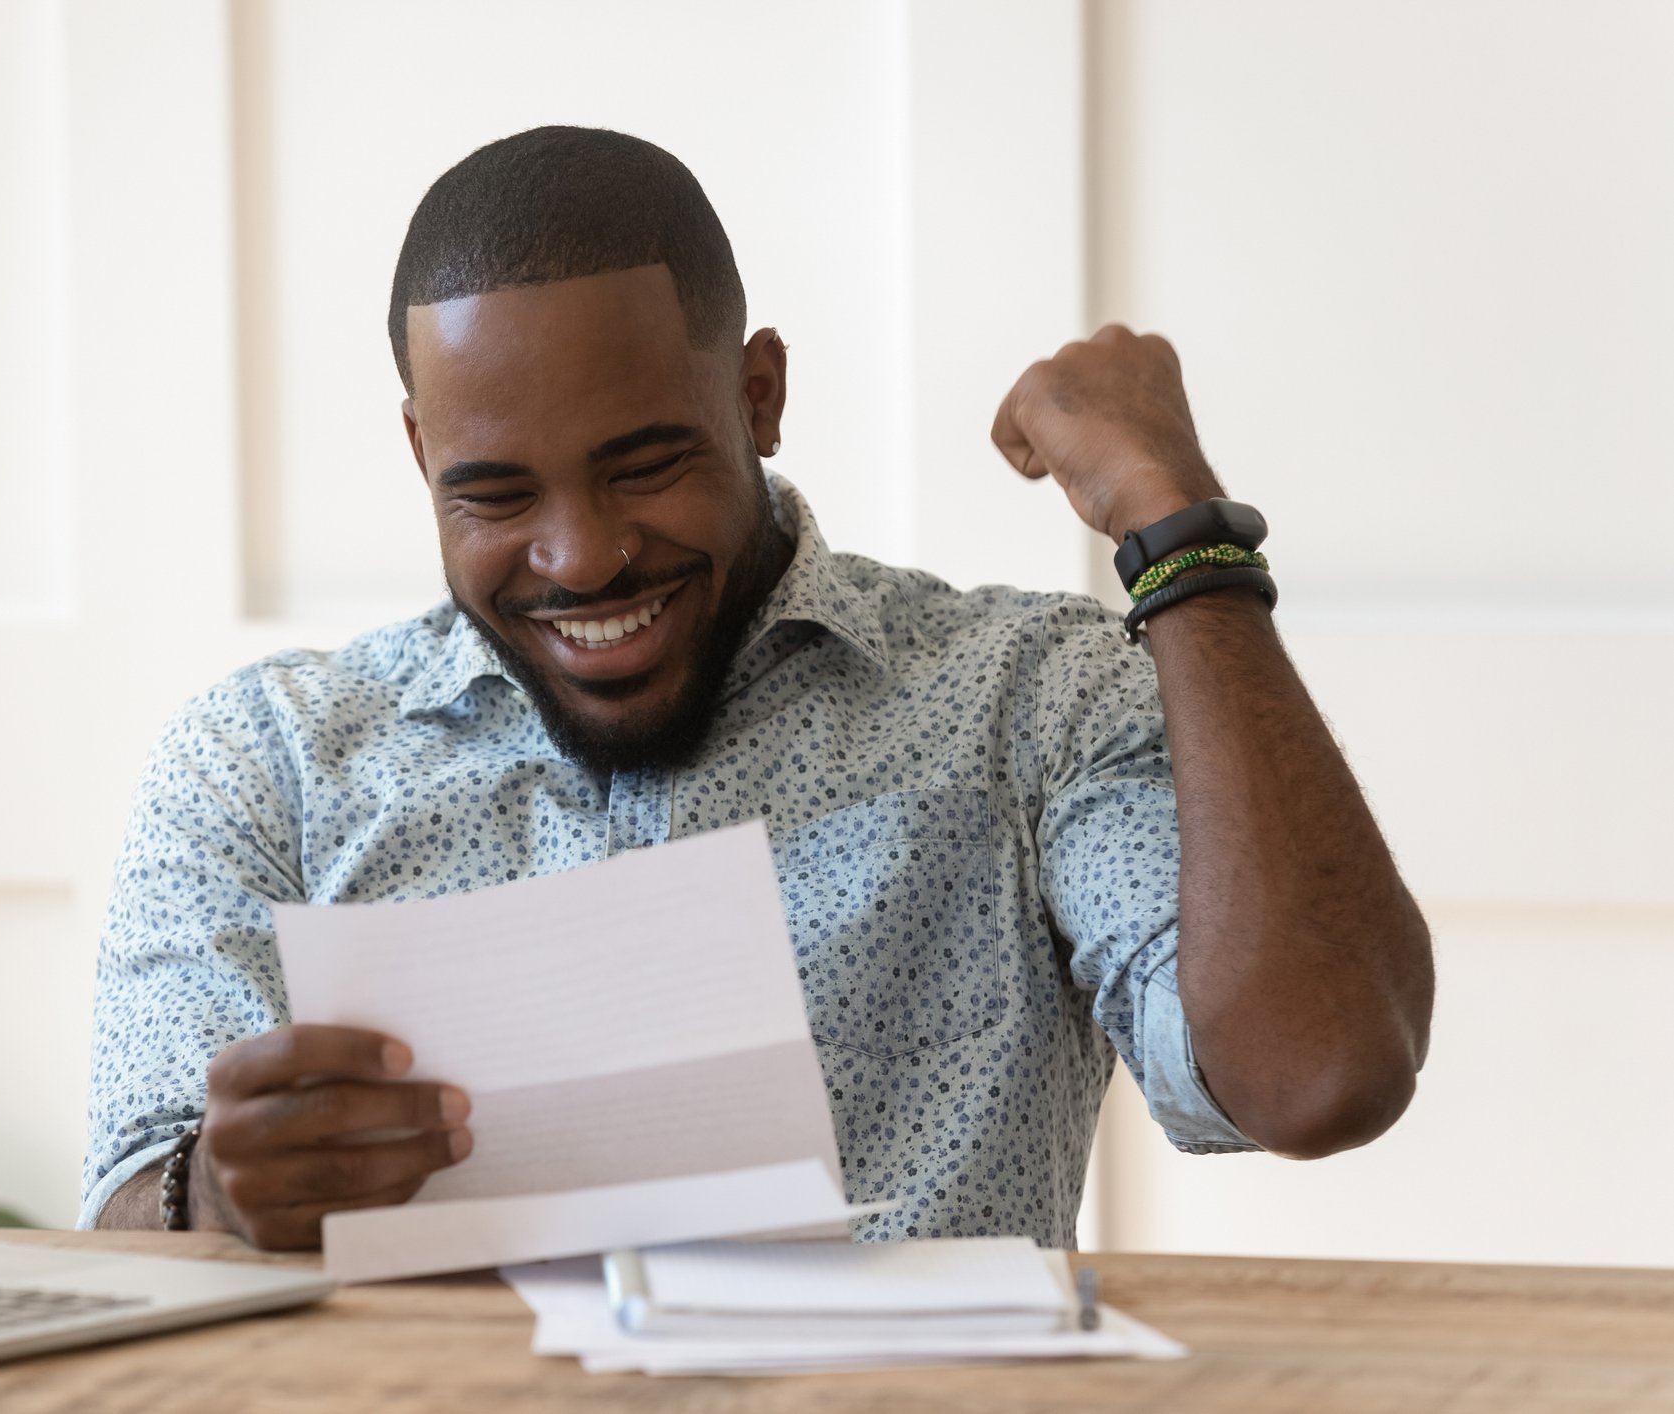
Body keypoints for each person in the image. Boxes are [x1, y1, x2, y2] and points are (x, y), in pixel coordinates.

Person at [83, 126, 1432, 1249]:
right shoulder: (264, 762)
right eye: (492, 492)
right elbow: (130, 1209)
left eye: (643, 463)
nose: (581, 554)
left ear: (760, 394)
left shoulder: (1027, 699)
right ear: (418, 449)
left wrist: (1176, 527)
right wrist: (218, 1191)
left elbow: (1315, 1072)